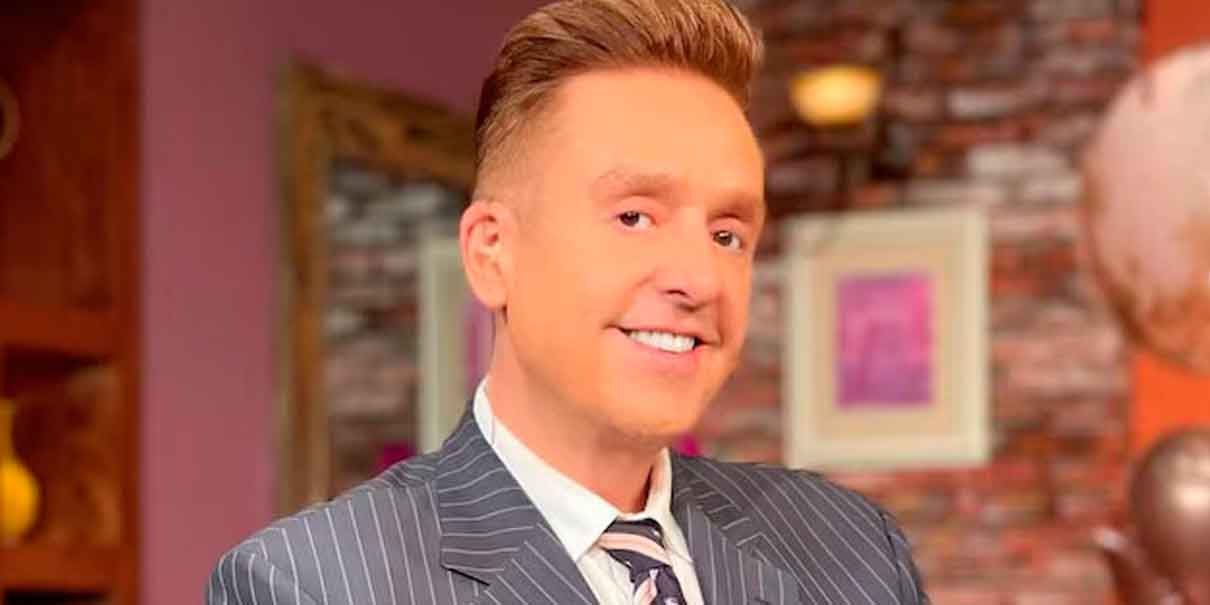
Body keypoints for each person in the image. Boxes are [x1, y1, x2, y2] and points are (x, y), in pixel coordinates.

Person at [207, 1, 929, 603]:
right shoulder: (311, 584)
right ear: (492, 254)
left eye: (727, 234)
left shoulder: (853, 551)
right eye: (634, 217)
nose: (700, 279)